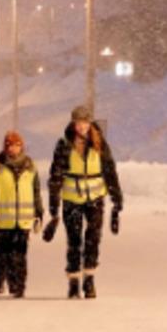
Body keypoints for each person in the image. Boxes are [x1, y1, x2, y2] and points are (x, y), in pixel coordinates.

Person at [44, 105, 123, 299]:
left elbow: (109, 170)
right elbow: (55, 175)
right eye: (78, 123)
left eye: (85, 123)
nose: (81, 127)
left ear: (90, 123)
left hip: (95, 198)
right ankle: (73, 280)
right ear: (73, 123)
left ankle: (89, 279)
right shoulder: (63, 144)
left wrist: (116, 198)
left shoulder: (100, 143)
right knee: (74, 241)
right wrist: (54, 207)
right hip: (71, 199)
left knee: (93, 239)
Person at [0, 130, 44, 298]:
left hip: (23, 219)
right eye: (9, 145)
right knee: (1, 254)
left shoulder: (30, 166)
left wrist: (39, 214)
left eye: (16, 145)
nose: (13, 149)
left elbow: (36, 191)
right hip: (3, 220)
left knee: (20, 255)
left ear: (21, 147)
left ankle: (18, 286)